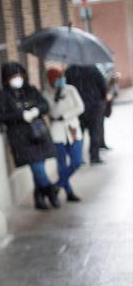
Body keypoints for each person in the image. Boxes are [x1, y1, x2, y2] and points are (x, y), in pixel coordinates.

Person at [0, 62, 59, 210]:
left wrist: (36, 111)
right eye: (13, 76)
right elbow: (2, 116)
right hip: (21, 138)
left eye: (19, 75)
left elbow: (45, 105)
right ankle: (51, 191)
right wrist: (21, 115)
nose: (17, 79)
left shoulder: (31, 90)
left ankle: (39, 198)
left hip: (38, 134)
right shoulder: (4, 95)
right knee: (37, 168)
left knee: (39, 169)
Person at [43, 67, 86, 202]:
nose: (60, 81)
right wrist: (56, 99)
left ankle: (57, 185)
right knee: (61, 165)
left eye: (61, 78)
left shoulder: (71, 89)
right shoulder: (46, 94)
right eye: (57, 79)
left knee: (77, 161)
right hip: (57, 131)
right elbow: (52, 113)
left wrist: (66, 115)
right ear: (51, 80)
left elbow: (80, 107)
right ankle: (69, 192)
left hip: (72, 127)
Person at [65, 64, 108, 165]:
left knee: (77, 133)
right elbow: (103, 86)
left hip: (77, 107)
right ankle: (94, 156)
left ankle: (78, 157)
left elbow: (66, 88)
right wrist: (100, 99)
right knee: (95, 132)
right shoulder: (93, 69)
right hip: (94, 106)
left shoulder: (70, 71)